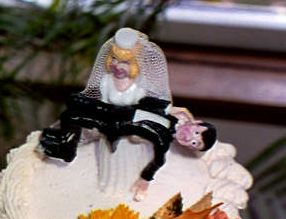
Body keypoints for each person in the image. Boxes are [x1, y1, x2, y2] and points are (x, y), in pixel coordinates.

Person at [39, 28, 216, 200]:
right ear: (196, 122)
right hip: (116, 111)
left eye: (194, 143)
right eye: (196, 133)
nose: (189, 137)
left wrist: (145, 180)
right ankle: (67, 144)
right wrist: (172, 109)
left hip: (115, 126)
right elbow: (151, 103)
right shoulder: (170, 116)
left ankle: (66, 149)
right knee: (73, 101)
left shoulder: (163, 140)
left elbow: (158, 161)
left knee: (73, 116)